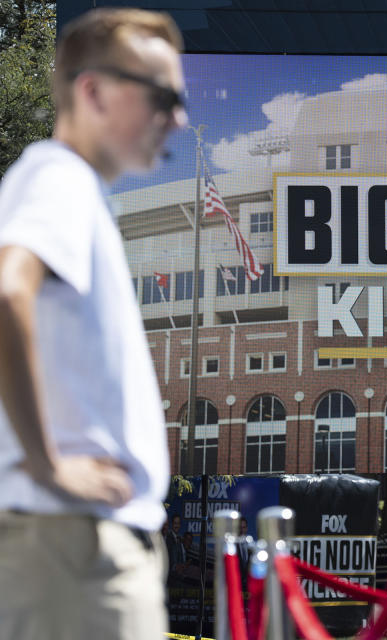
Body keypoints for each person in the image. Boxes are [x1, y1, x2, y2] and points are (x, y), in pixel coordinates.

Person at [0, 8, 187, 639]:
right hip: (74, 546)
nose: (178, 117)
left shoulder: (68, 186)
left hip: (77, 545)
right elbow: (5, 291)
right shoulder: (59, 177)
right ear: (93, 90)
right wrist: (50, 465)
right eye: (162, 96)